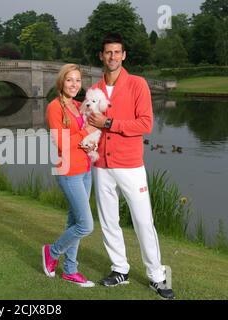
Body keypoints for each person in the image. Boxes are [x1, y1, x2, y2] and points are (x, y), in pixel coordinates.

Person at [87, 33, 175, 299]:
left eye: (117, 52)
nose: (112, 57)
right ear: (101, 56)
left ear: (123, 55)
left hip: (130, 164)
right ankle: (119, 269)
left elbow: (145, 124)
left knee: (143, 221)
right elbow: (88, 123)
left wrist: (110, 124)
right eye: (108, 52)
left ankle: (157, 277)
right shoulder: (94, 89)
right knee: (108, 220)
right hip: (101, 164)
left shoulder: (138, 84)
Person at [42, 64, 97, 287]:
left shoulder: (78, 106)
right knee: (86, 225)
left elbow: (87, 137)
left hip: (85, 170)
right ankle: (51, 252)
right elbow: (62, 144)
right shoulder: (54, 108)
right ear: (61, 83)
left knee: (74, 221)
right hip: (68, 171)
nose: (74, 84)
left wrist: (90, 140)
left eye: (77, 80)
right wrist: (86, 133)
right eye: (69, 80)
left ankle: (70, 270)